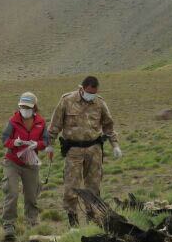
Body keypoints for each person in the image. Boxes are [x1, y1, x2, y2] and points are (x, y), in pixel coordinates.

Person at [48, 75, 121, 227]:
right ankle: (73, 222)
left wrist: (115, 145)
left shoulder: (99, 103)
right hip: (73, 149)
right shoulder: (67, 100)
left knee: (93, 186)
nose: (90, 96)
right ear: (81, 89)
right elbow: (55, 124)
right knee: (71, 186)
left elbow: (108, 125)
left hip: (94, 149)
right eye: (88, 93)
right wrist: (50, 143)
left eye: (93, 93)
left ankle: (93, 220)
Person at [0, 91, 49, 242]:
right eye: (22, 106)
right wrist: (14, 142)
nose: (24, 109)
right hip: (13, 161)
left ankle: (32, 222)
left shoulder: (41, 122)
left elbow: (46, 141)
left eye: (27, 107)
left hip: (31, 162)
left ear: (34, 107)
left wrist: (38, 144)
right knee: (12, 192)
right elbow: (4, 139)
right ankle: (9, 225)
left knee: (31, 195)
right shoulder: (13, 121)